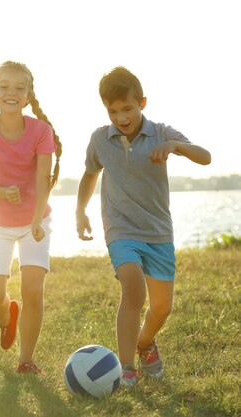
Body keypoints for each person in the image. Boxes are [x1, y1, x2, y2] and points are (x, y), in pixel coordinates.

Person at [75, 66, 211, 387]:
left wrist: (175, 147)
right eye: (112, 111)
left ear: (142, 103)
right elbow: (89, 174)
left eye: (127, 108)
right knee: (133, 287)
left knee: (162, 307)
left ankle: (145, 343)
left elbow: (204, 157)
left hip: (158, 232)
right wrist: (80, 211)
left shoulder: (161, 133)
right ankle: (126, 370)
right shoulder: (100, 139)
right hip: (120, 228)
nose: (121, 117)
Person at [0, 61, 62, 374]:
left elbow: (43, 179)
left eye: (20, 88)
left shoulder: (41, 131)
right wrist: (0, 191)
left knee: (32, 289)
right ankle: (8, 315)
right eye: (4, 86)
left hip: (35, 221)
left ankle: (26, 360)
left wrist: (36, 219)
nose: (12, 93)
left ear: (29, 96)